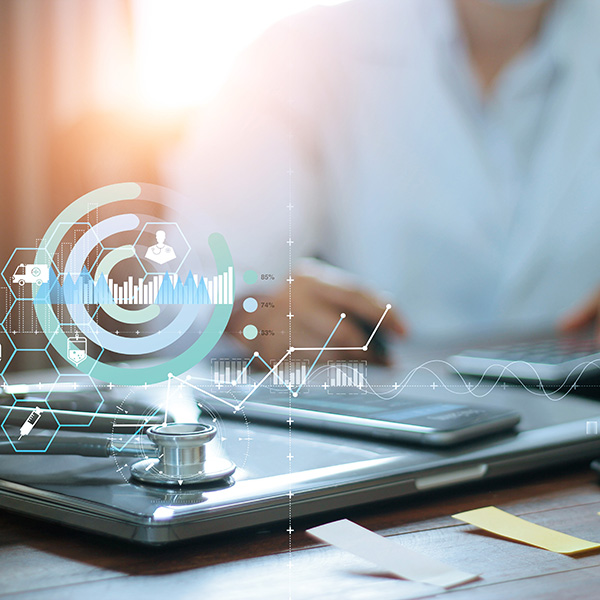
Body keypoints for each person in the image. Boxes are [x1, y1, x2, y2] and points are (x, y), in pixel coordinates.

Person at [165, 0, 600, 364]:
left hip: (577, 429)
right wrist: (249, 313)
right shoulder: (295, 57)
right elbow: (187, 290)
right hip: (372, 429)